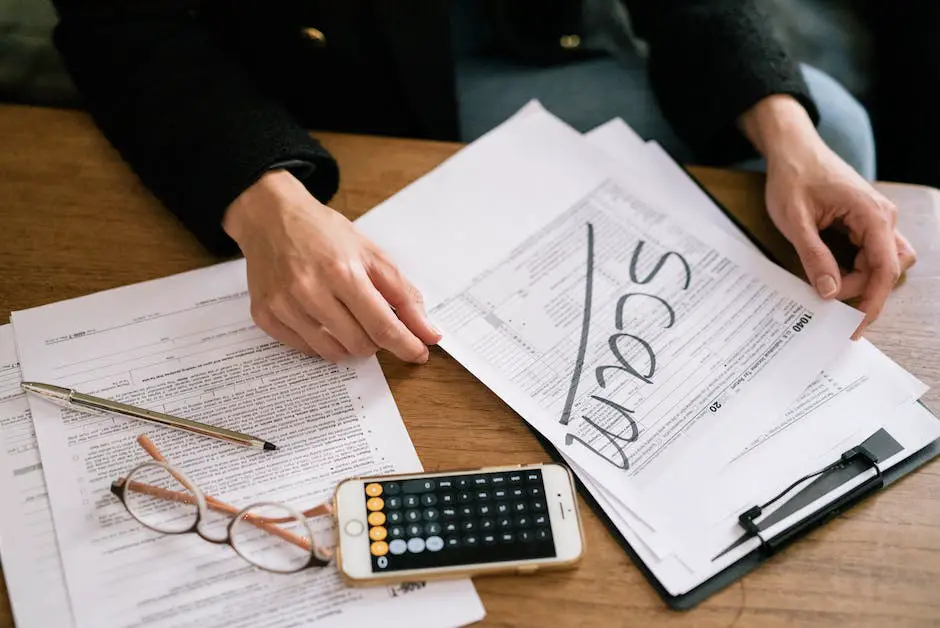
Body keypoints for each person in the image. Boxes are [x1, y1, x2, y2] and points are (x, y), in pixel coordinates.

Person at [48, 0, 915, 366]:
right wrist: (262, 195)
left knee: (830, 126)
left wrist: (783, 126)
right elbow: (118, 28)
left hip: (533, 41)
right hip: (319, 79)